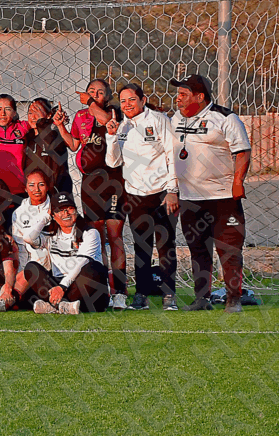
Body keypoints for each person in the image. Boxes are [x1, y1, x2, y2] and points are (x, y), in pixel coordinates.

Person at [170, 75, 252, 313]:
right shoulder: (174, 118)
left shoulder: (225, 118)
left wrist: (238, 183)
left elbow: (243, 152)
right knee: (198, 250)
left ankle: (234, 298)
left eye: (183, 95)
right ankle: (202, 299)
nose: (179, 100)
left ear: (200, 97)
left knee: (229, 250)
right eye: (178, 95)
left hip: (223, 198)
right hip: (189, 198)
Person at [55, 79, 128, 309]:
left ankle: (121, 292)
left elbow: (105, 121)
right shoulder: (80, 116)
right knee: (96, 238)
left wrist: (89, 102)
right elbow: (75, 144)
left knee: (115, 235)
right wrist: (60, 127)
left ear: (107, 98)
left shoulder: (113, 112)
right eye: (90, 92)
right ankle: (103, 288)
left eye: (99, 93)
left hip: (113, 181)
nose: (94, 95)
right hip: (89, 184)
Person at [106, 83, 179, 311]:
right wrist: (111, 137)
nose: (127, 104)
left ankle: (169, 294)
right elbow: (113, 162)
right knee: (141, 247)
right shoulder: (122, 127)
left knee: (165, 245)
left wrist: (172, 190)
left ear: (143, 100)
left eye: (132, 100)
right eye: (123, 101)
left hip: (161, 194)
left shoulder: (159, 120)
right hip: (135, 195)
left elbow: (172, 155)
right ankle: (142, 295)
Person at [13, 192, 110, 314]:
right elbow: (28, 238)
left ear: (76, 211)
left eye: (70, 209)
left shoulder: (90, 232)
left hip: (82, 287)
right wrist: (45, 217)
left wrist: (62, 287)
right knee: (31, 267)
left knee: (92, 268)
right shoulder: (50, 234)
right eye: (60, 210)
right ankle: (65, 306)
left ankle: (54, 306)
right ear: (53, 215)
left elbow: (81, 262)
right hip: (59, 285)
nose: (66, 214)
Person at [11, 170, 54, 277]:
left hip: (59, 266)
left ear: (47, 187)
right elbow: (21, 248)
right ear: (25, 188)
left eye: (41, 185)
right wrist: (22, 273)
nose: (37, 189)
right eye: (31, 185)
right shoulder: (19, 213)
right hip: (33, 269)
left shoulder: (57, 207)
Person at [25, 97, 72, 194]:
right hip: (34, 194)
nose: (33, 117)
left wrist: (47, 122)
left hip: (56, 193)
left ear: (49, 114)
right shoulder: (27, 137)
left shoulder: (55, 134)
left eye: (37, 112)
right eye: (30, 113)